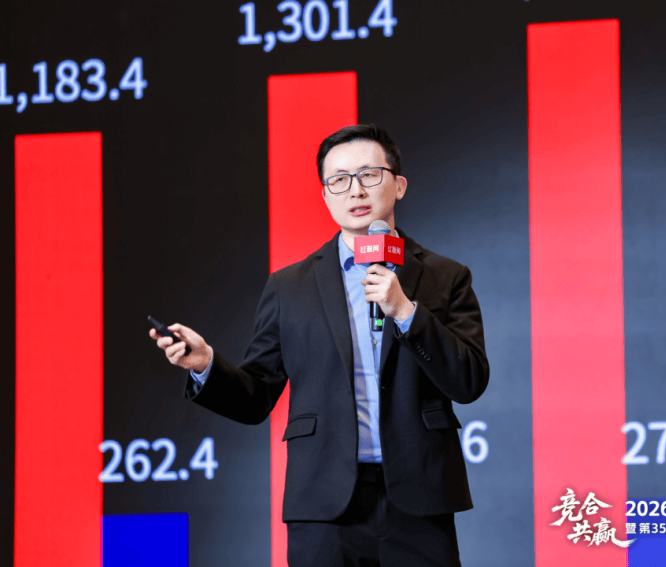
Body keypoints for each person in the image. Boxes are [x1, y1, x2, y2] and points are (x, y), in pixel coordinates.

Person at [150, 124, 489, 566]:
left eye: (369, 175)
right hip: (325, 504)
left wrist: (406, 312)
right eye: (339, 180)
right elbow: (255, 396)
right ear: (326, 195)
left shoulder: (445, 276)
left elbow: (468, 381)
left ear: (399, 185)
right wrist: (206, 365)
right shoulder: (290, 286)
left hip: (420, 498)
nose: (356, 190)